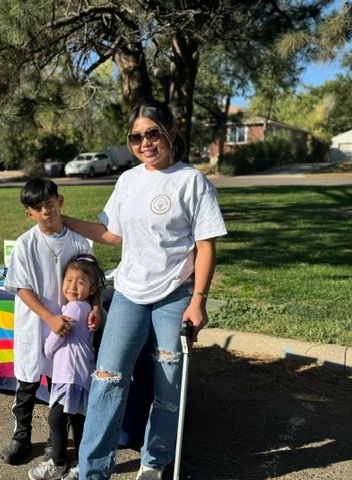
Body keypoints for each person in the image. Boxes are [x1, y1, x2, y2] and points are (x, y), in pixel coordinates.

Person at [62, 101, 228, 480]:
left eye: (152, 133)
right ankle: (92, 469)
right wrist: (64, 220)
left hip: (174, 296)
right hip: (130, 294)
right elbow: (111, 233)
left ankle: (153, 462)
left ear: (170, 132)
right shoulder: (128, 180)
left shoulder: (192, 181)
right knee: (107, 379)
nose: (145, 143)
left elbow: (206, 245)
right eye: (136, 137)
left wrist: (198, 300)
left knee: (168, 386)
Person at [2, 178, 100, 465]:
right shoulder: (25, 244)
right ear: (29, 213)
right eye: (37, 208)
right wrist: (49, 317)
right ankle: (21, 436)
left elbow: (93, 282)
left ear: (61, 201)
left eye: (49, 203)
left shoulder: (80, 241)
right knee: (27, 384)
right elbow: (21, 287)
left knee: (61, 385)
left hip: (69, 330)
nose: (46, 211)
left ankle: (53, 441)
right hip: (35, 324)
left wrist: (95, 308)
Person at [28, 254, 106, 480]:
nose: (72, 286)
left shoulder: (73, 309)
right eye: (68, 280)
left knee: (57, 418)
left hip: (70, 372)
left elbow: (55, 339)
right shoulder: (84, 308)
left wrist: (46, 349)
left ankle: (58, 462)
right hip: (78, 371)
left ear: (91, 290)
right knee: (76, 419)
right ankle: (81, 463)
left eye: (80, 282)